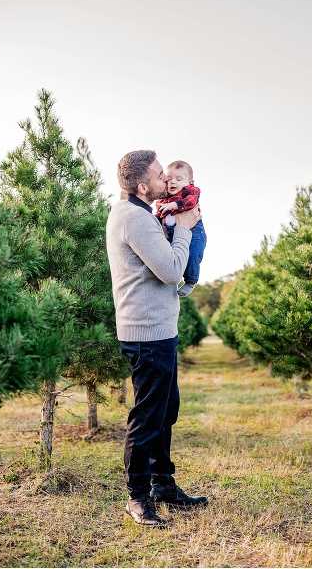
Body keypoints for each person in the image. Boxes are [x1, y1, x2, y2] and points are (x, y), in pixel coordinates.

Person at [106, 150, 208, 527]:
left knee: (166, 411)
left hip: (160, 330)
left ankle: (164, 484)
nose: (167, 179)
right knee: (147, 417)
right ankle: (137, 497)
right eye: (158, 174)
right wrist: (183, 228)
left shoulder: (140, 214)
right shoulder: (135, 218)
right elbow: (169, 271)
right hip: (147, 334)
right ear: (143, 185)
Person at [155, 160, 207, 297]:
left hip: (194, 231)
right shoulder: (163, 198)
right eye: (169, 179)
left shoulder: (191, 191)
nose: (173, 182)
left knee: (193, 253)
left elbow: (190, 202)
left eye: (179, 179)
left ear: (190, 182)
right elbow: (159, 214)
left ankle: (190, 281)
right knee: (172, 256)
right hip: (172, 232)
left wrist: (173, 206)